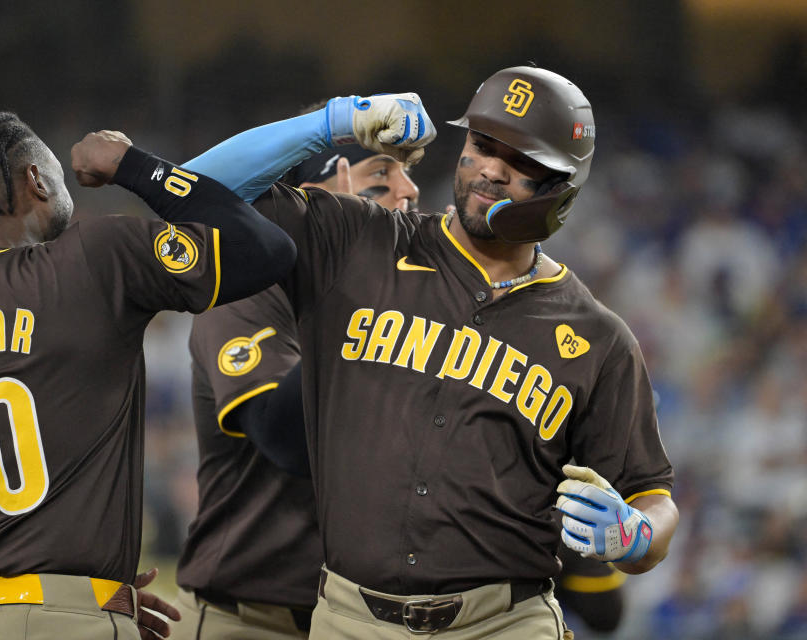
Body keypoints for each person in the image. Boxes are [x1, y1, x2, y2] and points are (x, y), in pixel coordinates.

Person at [177, 66, 680, 639]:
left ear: (560, 186)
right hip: (336, 612)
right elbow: (191, 194)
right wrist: (331, 123)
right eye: (482, 144)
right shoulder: (364, 246)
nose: (491, 168)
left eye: (519, 160)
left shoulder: (599, 338)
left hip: (503, 621)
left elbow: (652, 494)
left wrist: (639, 536)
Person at [0, 111, 296, 640]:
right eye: (57, 175)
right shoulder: (92, 259)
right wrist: (133, 166)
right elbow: (265, 249)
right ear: (36, 180)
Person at [169, 142, 419, 640]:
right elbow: (285, 437)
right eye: (379, 176)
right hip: (250, 617)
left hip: (363, 619)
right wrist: (355, 282)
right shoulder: (248, 290)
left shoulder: (411, 297)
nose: (408, 191)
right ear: (308, 200)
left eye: (408, 175)